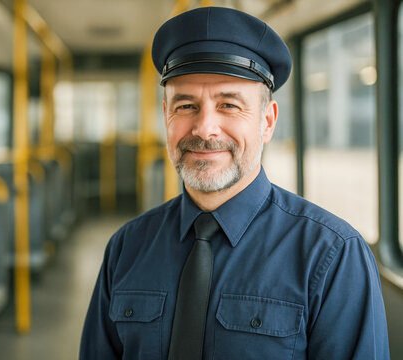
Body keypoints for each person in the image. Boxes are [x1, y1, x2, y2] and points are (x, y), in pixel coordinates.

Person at [80, 6, 390, 360]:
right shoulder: (126, 248)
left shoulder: (333, 256)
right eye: (185, 106)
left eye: (228, 105)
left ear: (267, 121)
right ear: (166, 115)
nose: (204, 129)